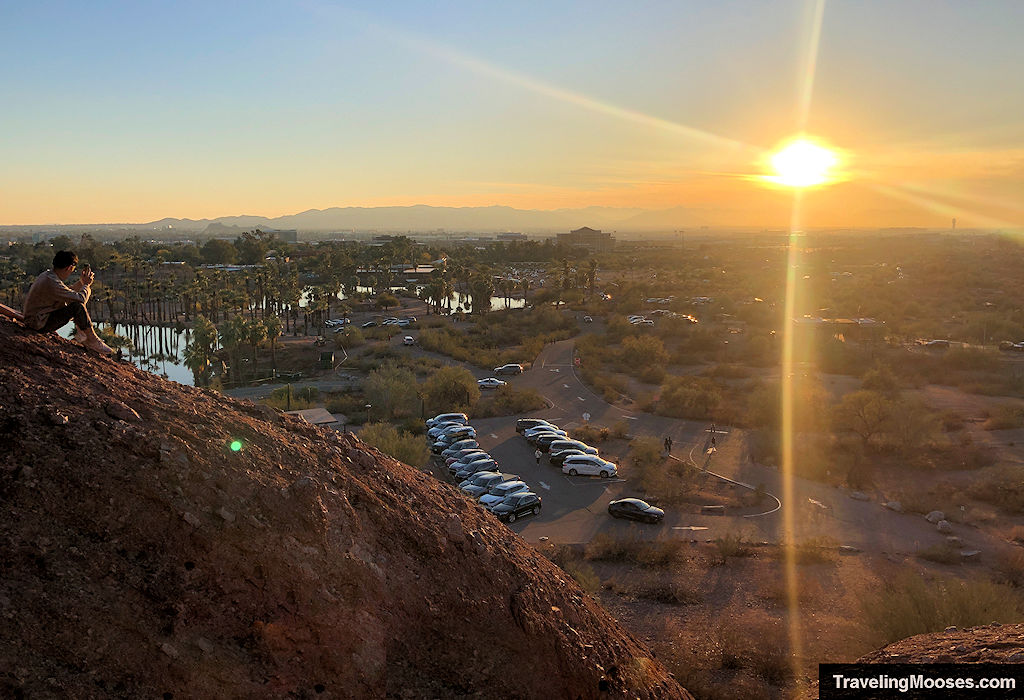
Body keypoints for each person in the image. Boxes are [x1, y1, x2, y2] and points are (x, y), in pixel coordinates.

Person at [22, 250, 113, 355]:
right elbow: (80, 299)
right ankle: (91, 339)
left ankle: (85, 336)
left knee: (74, 304)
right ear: (69, 268)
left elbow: (68, 292)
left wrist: (82, 283)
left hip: (36, 319)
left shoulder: (48, 276)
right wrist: (86, 286)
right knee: (76, 307)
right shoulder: (51, 282)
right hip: (37, 323)